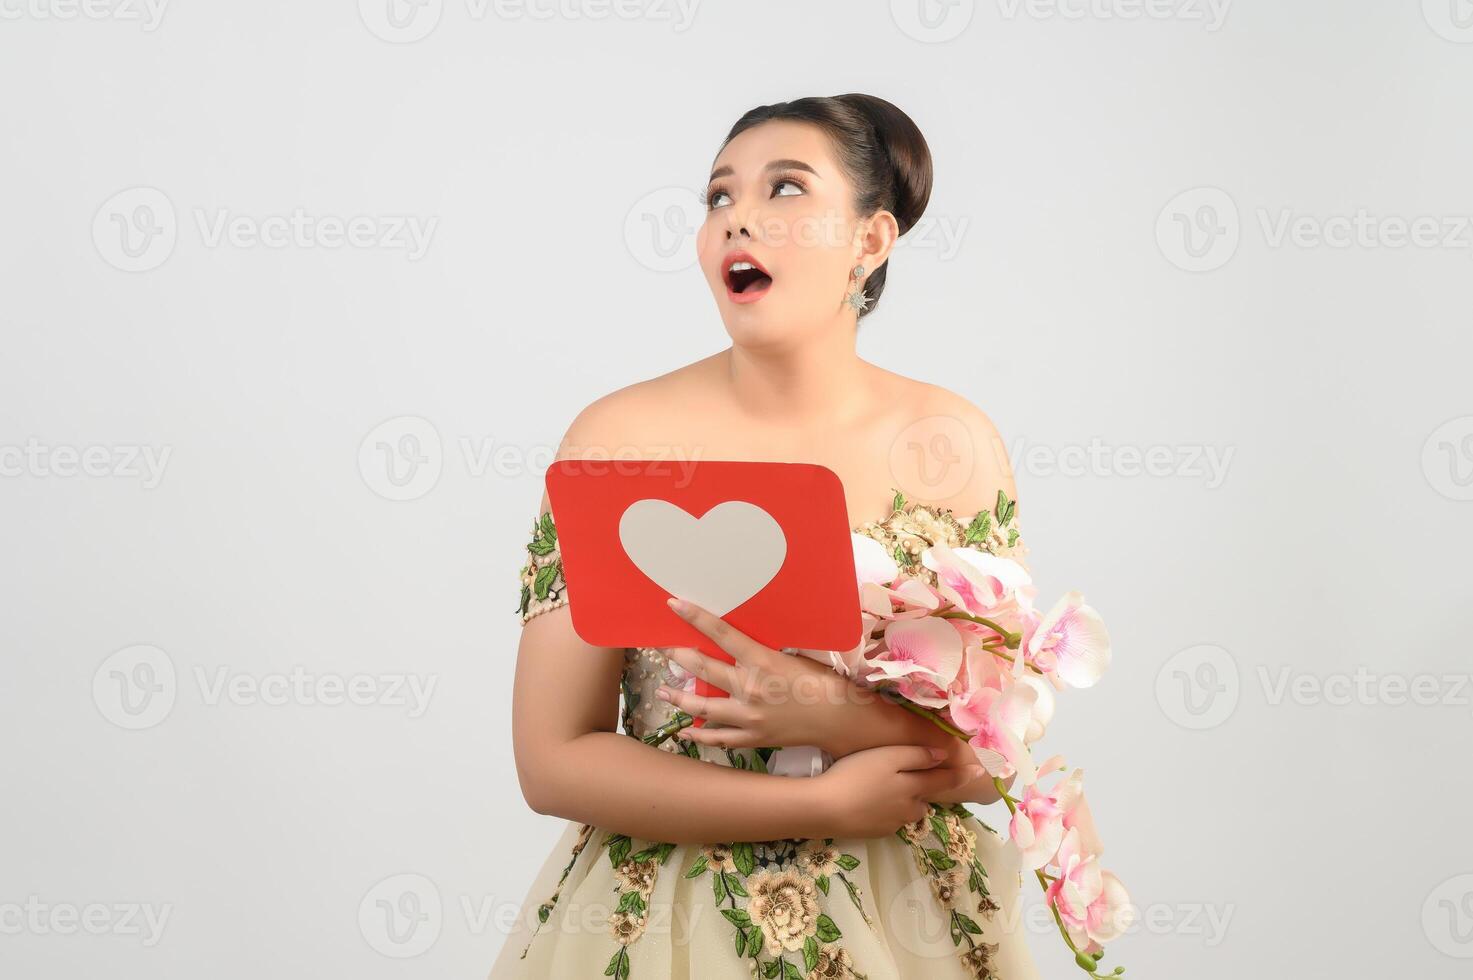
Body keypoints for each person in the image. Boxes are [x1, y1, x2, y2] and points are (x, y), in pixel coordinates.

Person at [490, 93, 1041, 980]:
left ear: (869, 241)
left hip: (904, 922)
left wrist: (826, 711)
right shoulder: (619, 441)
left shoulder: (950, 442)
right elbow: (551, 761)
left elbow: (993, 756)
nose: (738, 216)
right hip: (668, 919)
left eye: (786, 189)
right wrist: (818, 803)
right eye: (718, 197)